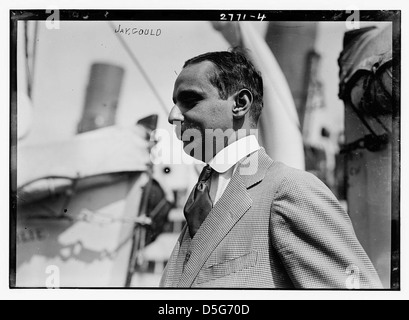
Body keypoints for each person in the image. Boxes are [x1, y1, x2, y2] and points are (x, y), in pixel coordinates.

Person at [160, 49, 382, 288]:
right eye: (174, 103)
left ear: (240, 103)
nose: (173, 116)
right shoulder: (200, 198)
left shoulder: (289, 189)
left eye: (190, 100)